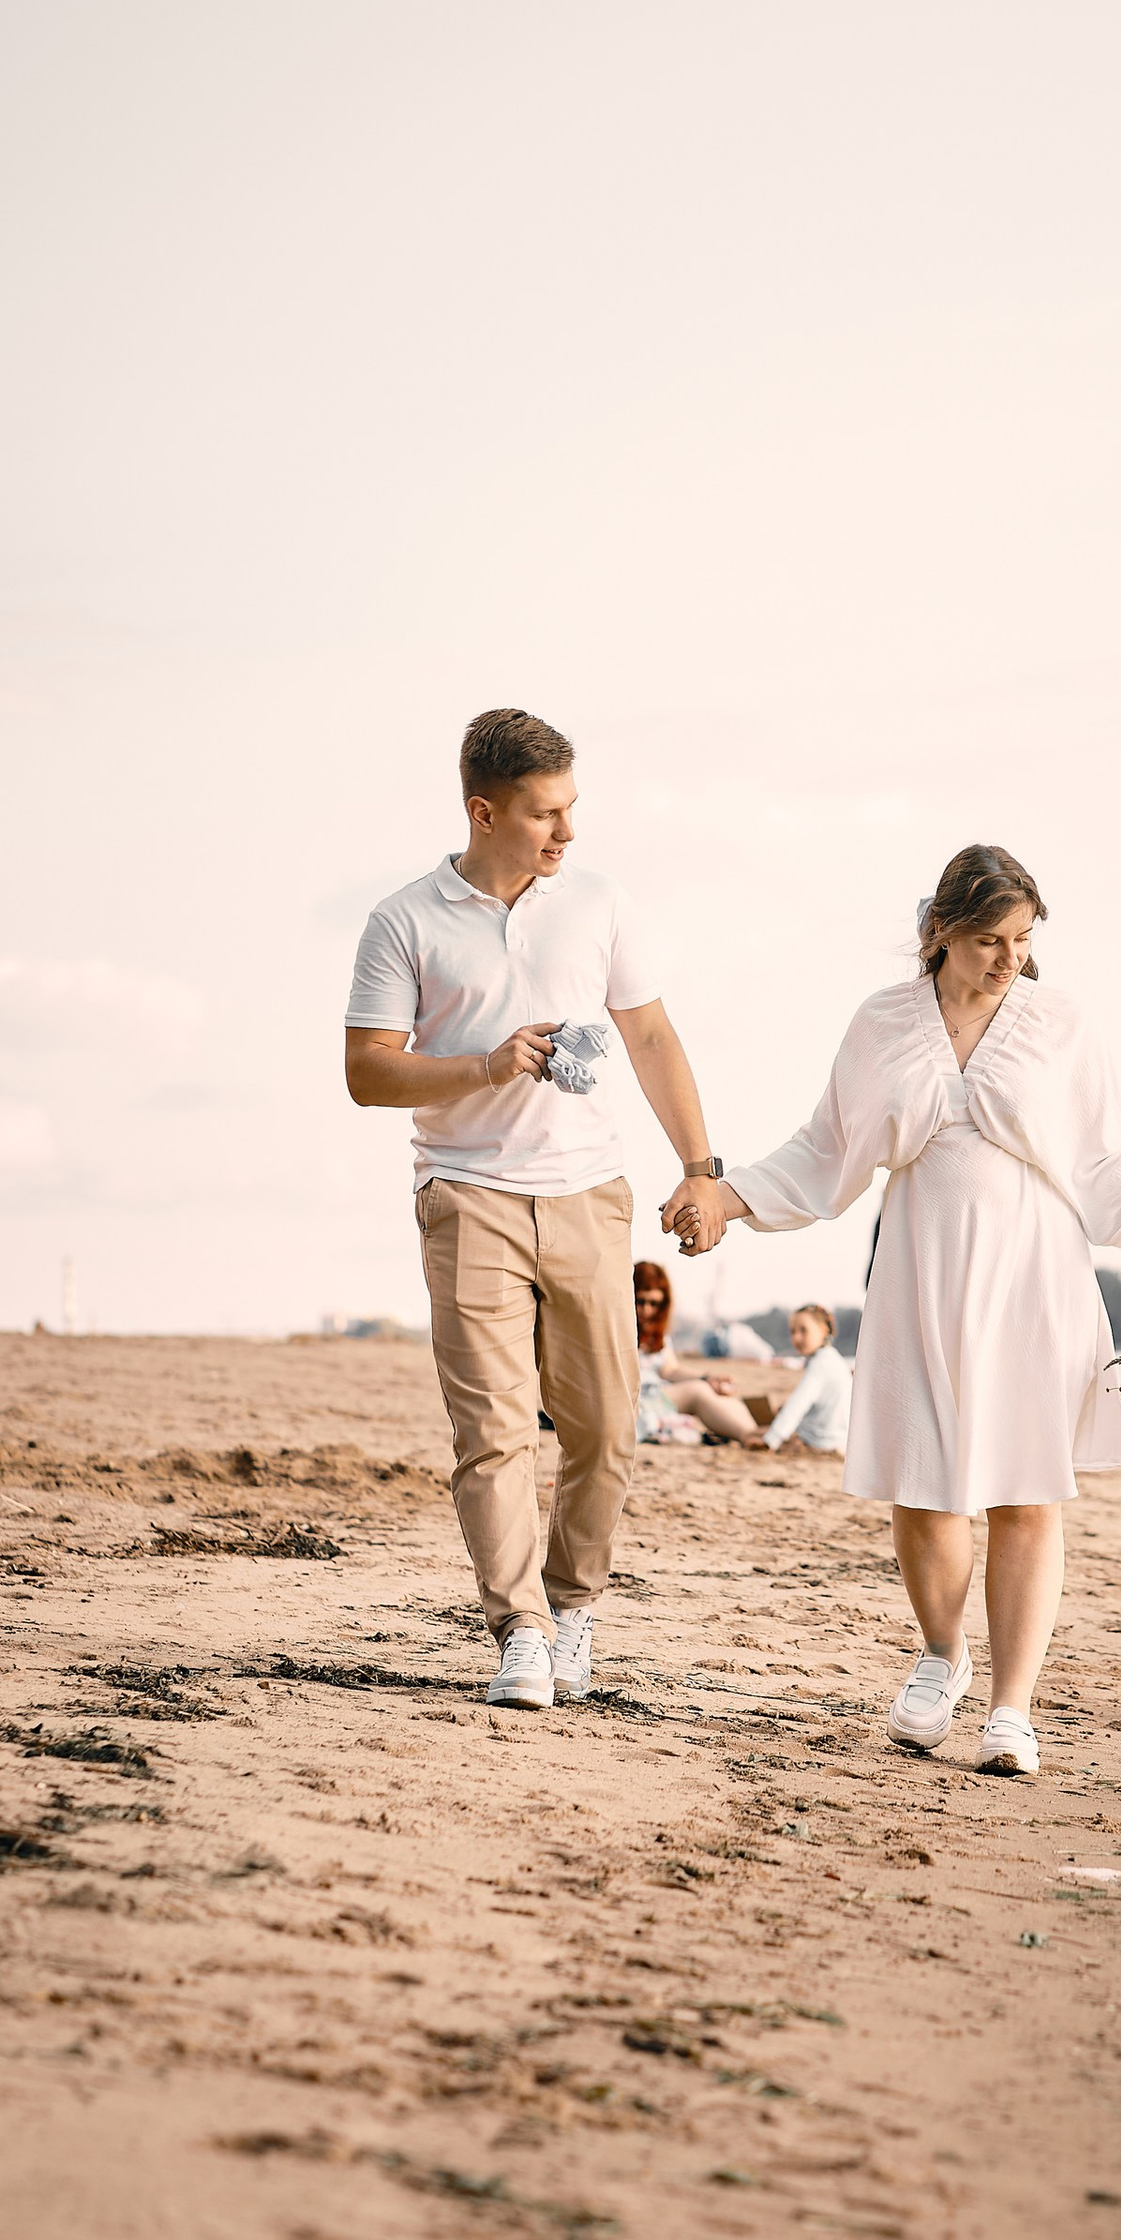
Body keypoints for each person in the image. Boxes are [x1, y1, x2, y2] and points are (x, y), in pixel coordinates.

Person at [668, 842, 1121, 1779]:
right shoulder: (881, 1022)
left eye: (1022, 939)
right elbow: (824, 1148)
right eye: (987, 941)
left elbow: (1099, 1161)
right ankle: (941, 1654)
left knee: (1025, 1491)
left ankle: (1012, 1708)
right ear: (939, 935)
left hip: (1035, 1279)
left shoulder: (1060, 1024)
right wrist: (727, 1198)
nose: (1009, 959)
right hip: (920, 1271)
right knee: (923, 1485)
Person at [344, 706, 732, 1717]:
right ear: (483, 811)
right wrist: (481, 1063)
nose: (565, 833)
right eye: (543, 814)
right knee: (495, 1431)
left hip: (588, 1198)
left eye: (570, 809)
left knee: (607, 1428)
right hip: (466, 1194)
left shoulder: (598, 902)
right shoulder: (404, 920)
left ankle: (573, 1608)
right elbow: (364, 1072)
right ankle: (519, 1629)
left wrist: (701, 1168)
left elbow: (650, 1040)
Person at [633, 1259, 762, 1447]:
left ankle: (756, 1432)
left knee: (718, 1389)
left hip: (655, 1396)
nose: (646, 1310)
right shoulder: (619, 1331)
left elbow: (670, 1370)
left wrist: (708, 1378)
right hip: (637, 1403)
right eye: (640, 1301)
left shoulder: (656, 1337)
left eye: (654, 1303)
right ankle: (748, 1436)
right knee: (697, 1392)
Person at [764, 1304, 851, 1457]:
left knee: (753, 1433)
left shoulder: (820, 1364)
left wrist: (771, 1441)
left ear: (823, 1330)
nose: (796, 1338)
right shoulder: (833, 1360)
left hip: (820, 1441)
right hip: (840, 1439)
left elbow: (798, 1405)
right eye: (792, 1332)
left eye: (803, 1330)